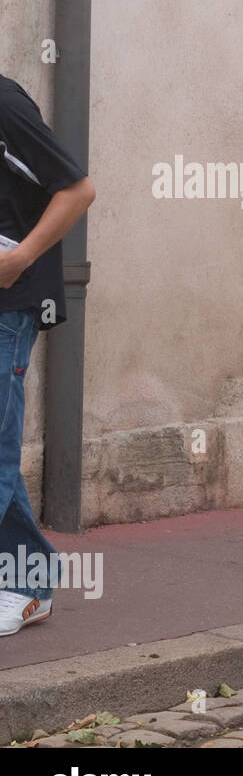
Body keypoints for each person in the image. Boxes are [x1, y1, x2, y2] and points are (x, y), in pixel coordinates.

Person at [0, 73, 95, 636]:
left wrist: (20, 259)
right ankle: (28, 584)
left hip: (8, 304)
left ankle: (26, 585)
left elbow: (77, 189)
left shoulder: (5, 104)